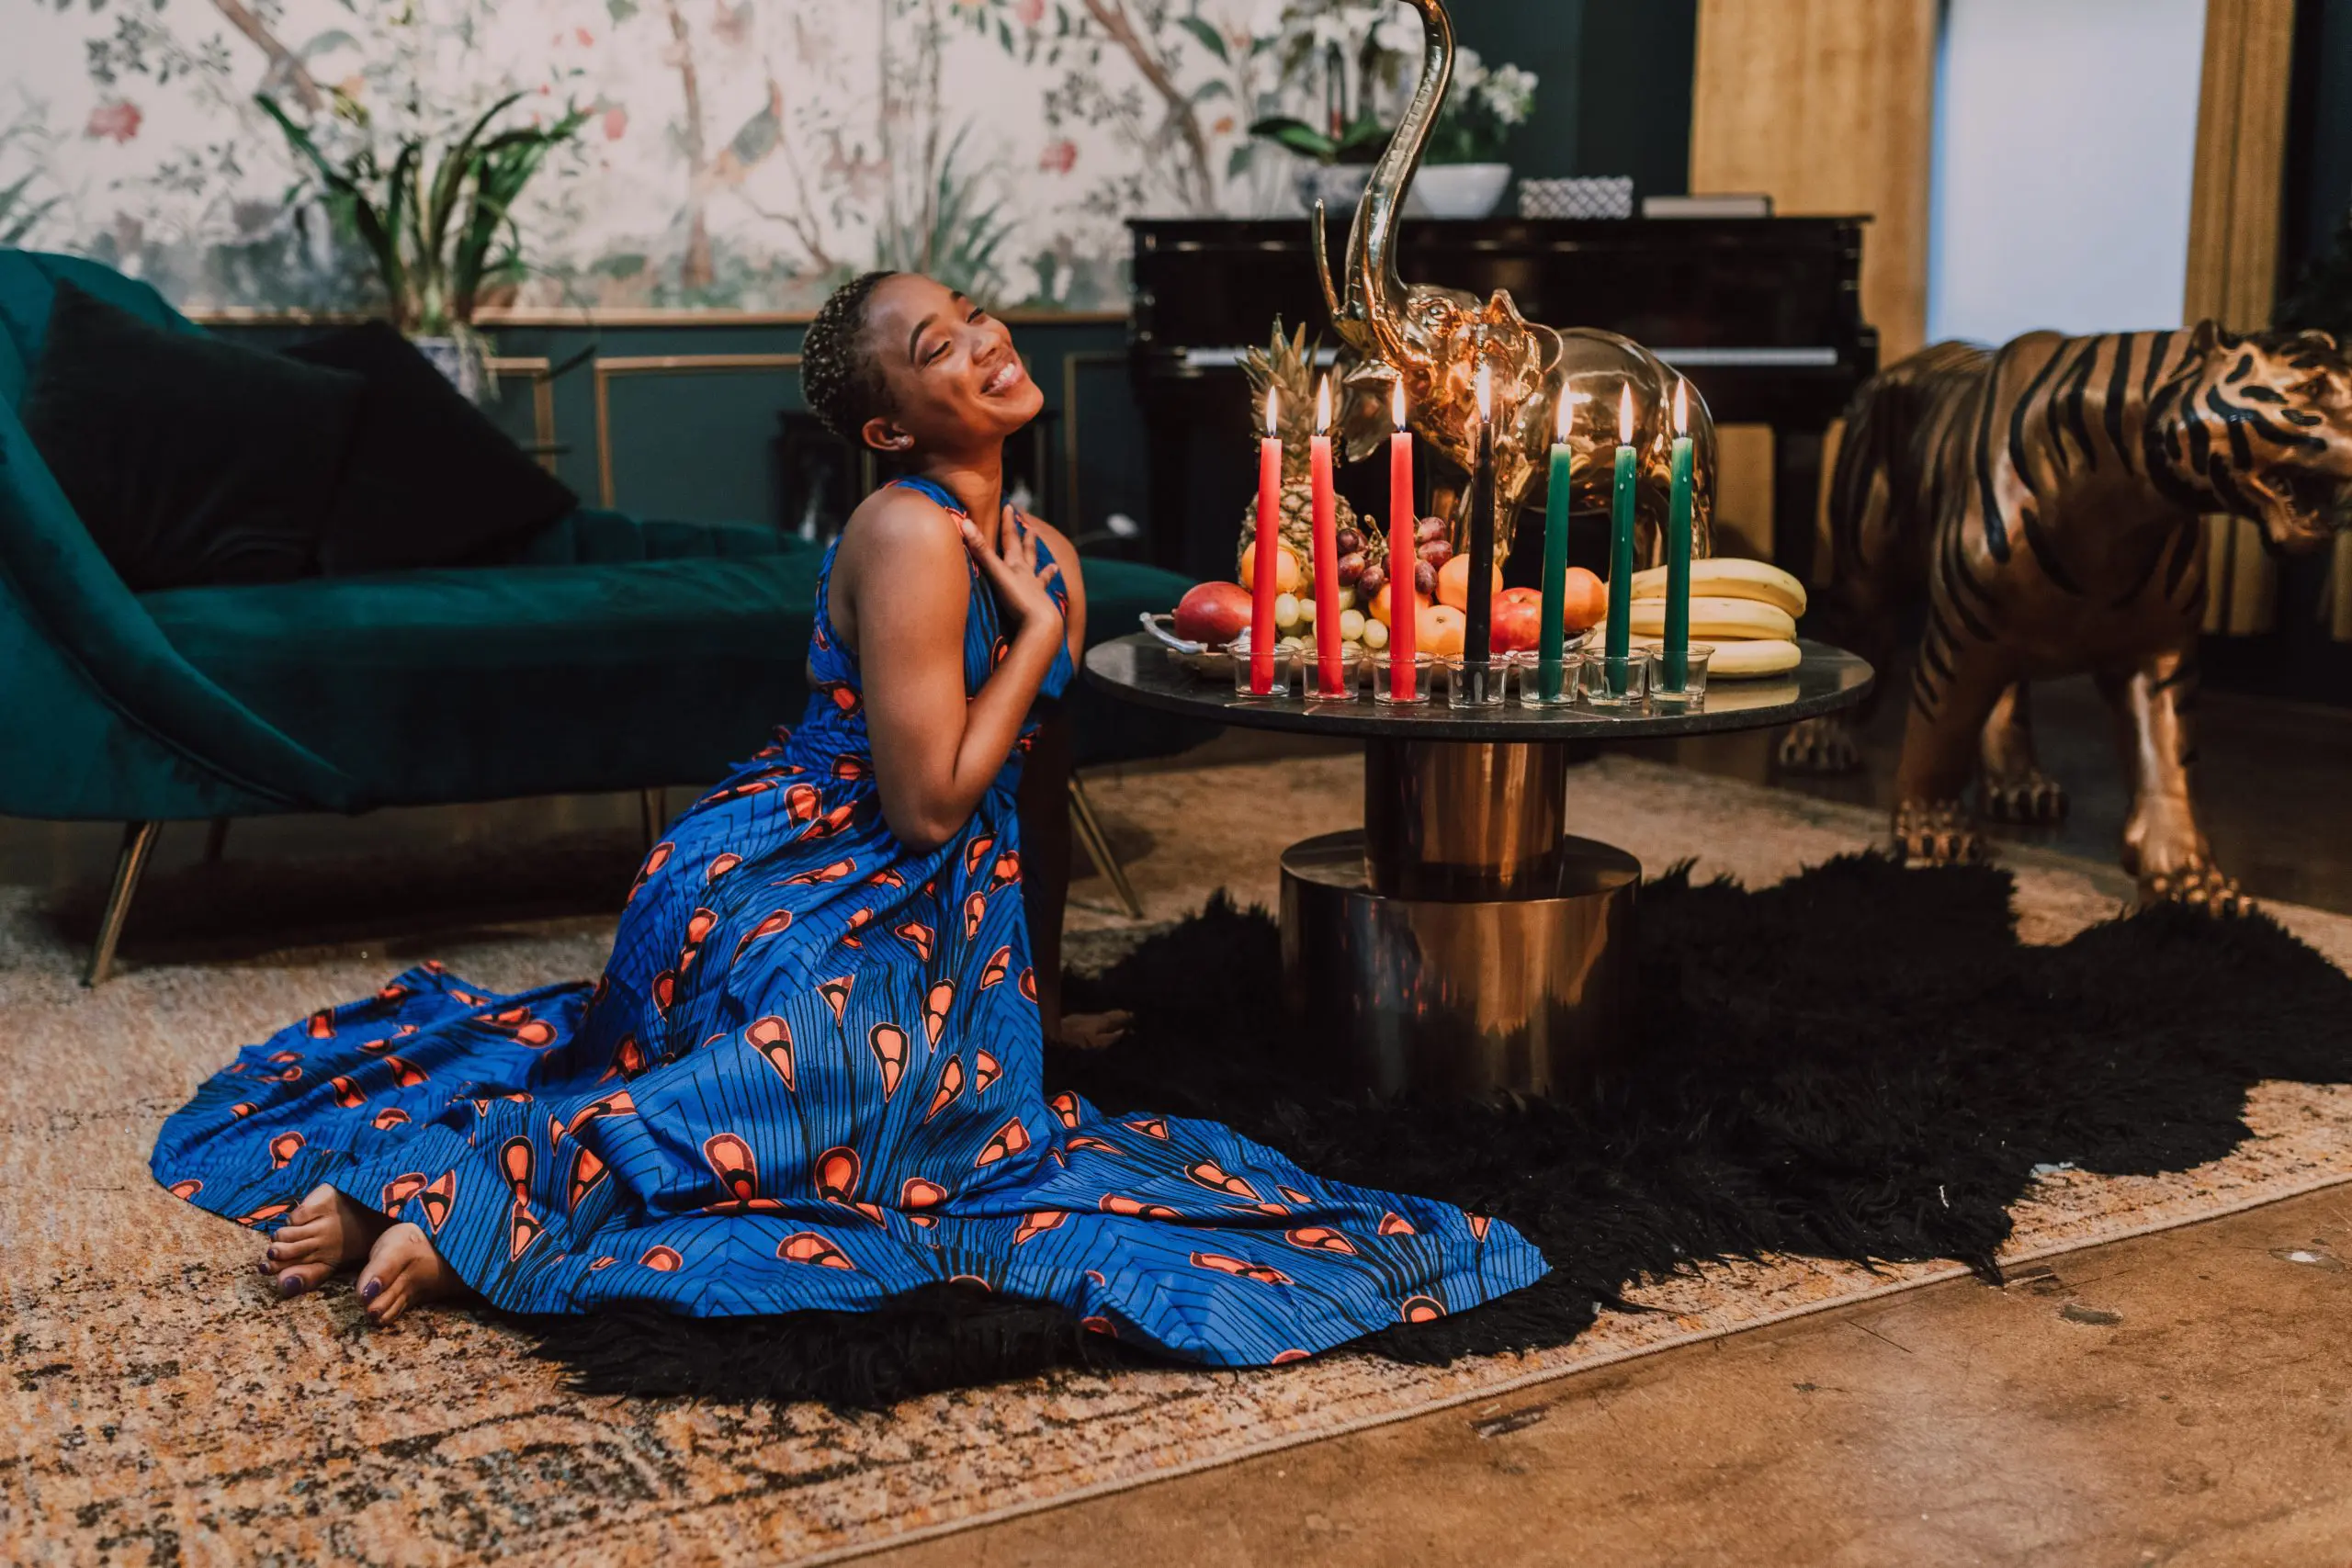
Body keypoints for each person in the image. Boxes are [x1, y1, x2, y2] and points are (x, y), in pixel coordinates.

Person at [151, 271, 1549, 1360]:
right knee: (823, 1080)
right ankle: (455, 1201)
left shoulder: (1035, 545)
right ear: (889, 425)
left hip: (943, 919)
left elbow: (1023, 805)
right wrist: (1045, 634)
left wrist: (1031, 996)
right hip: (801, 875)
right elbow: (935, 798)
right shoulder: (907, 532)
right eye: (936, 348)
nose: (986, 341)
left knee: (958, 1118)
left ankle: (492, 1179)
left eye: (973, 316)